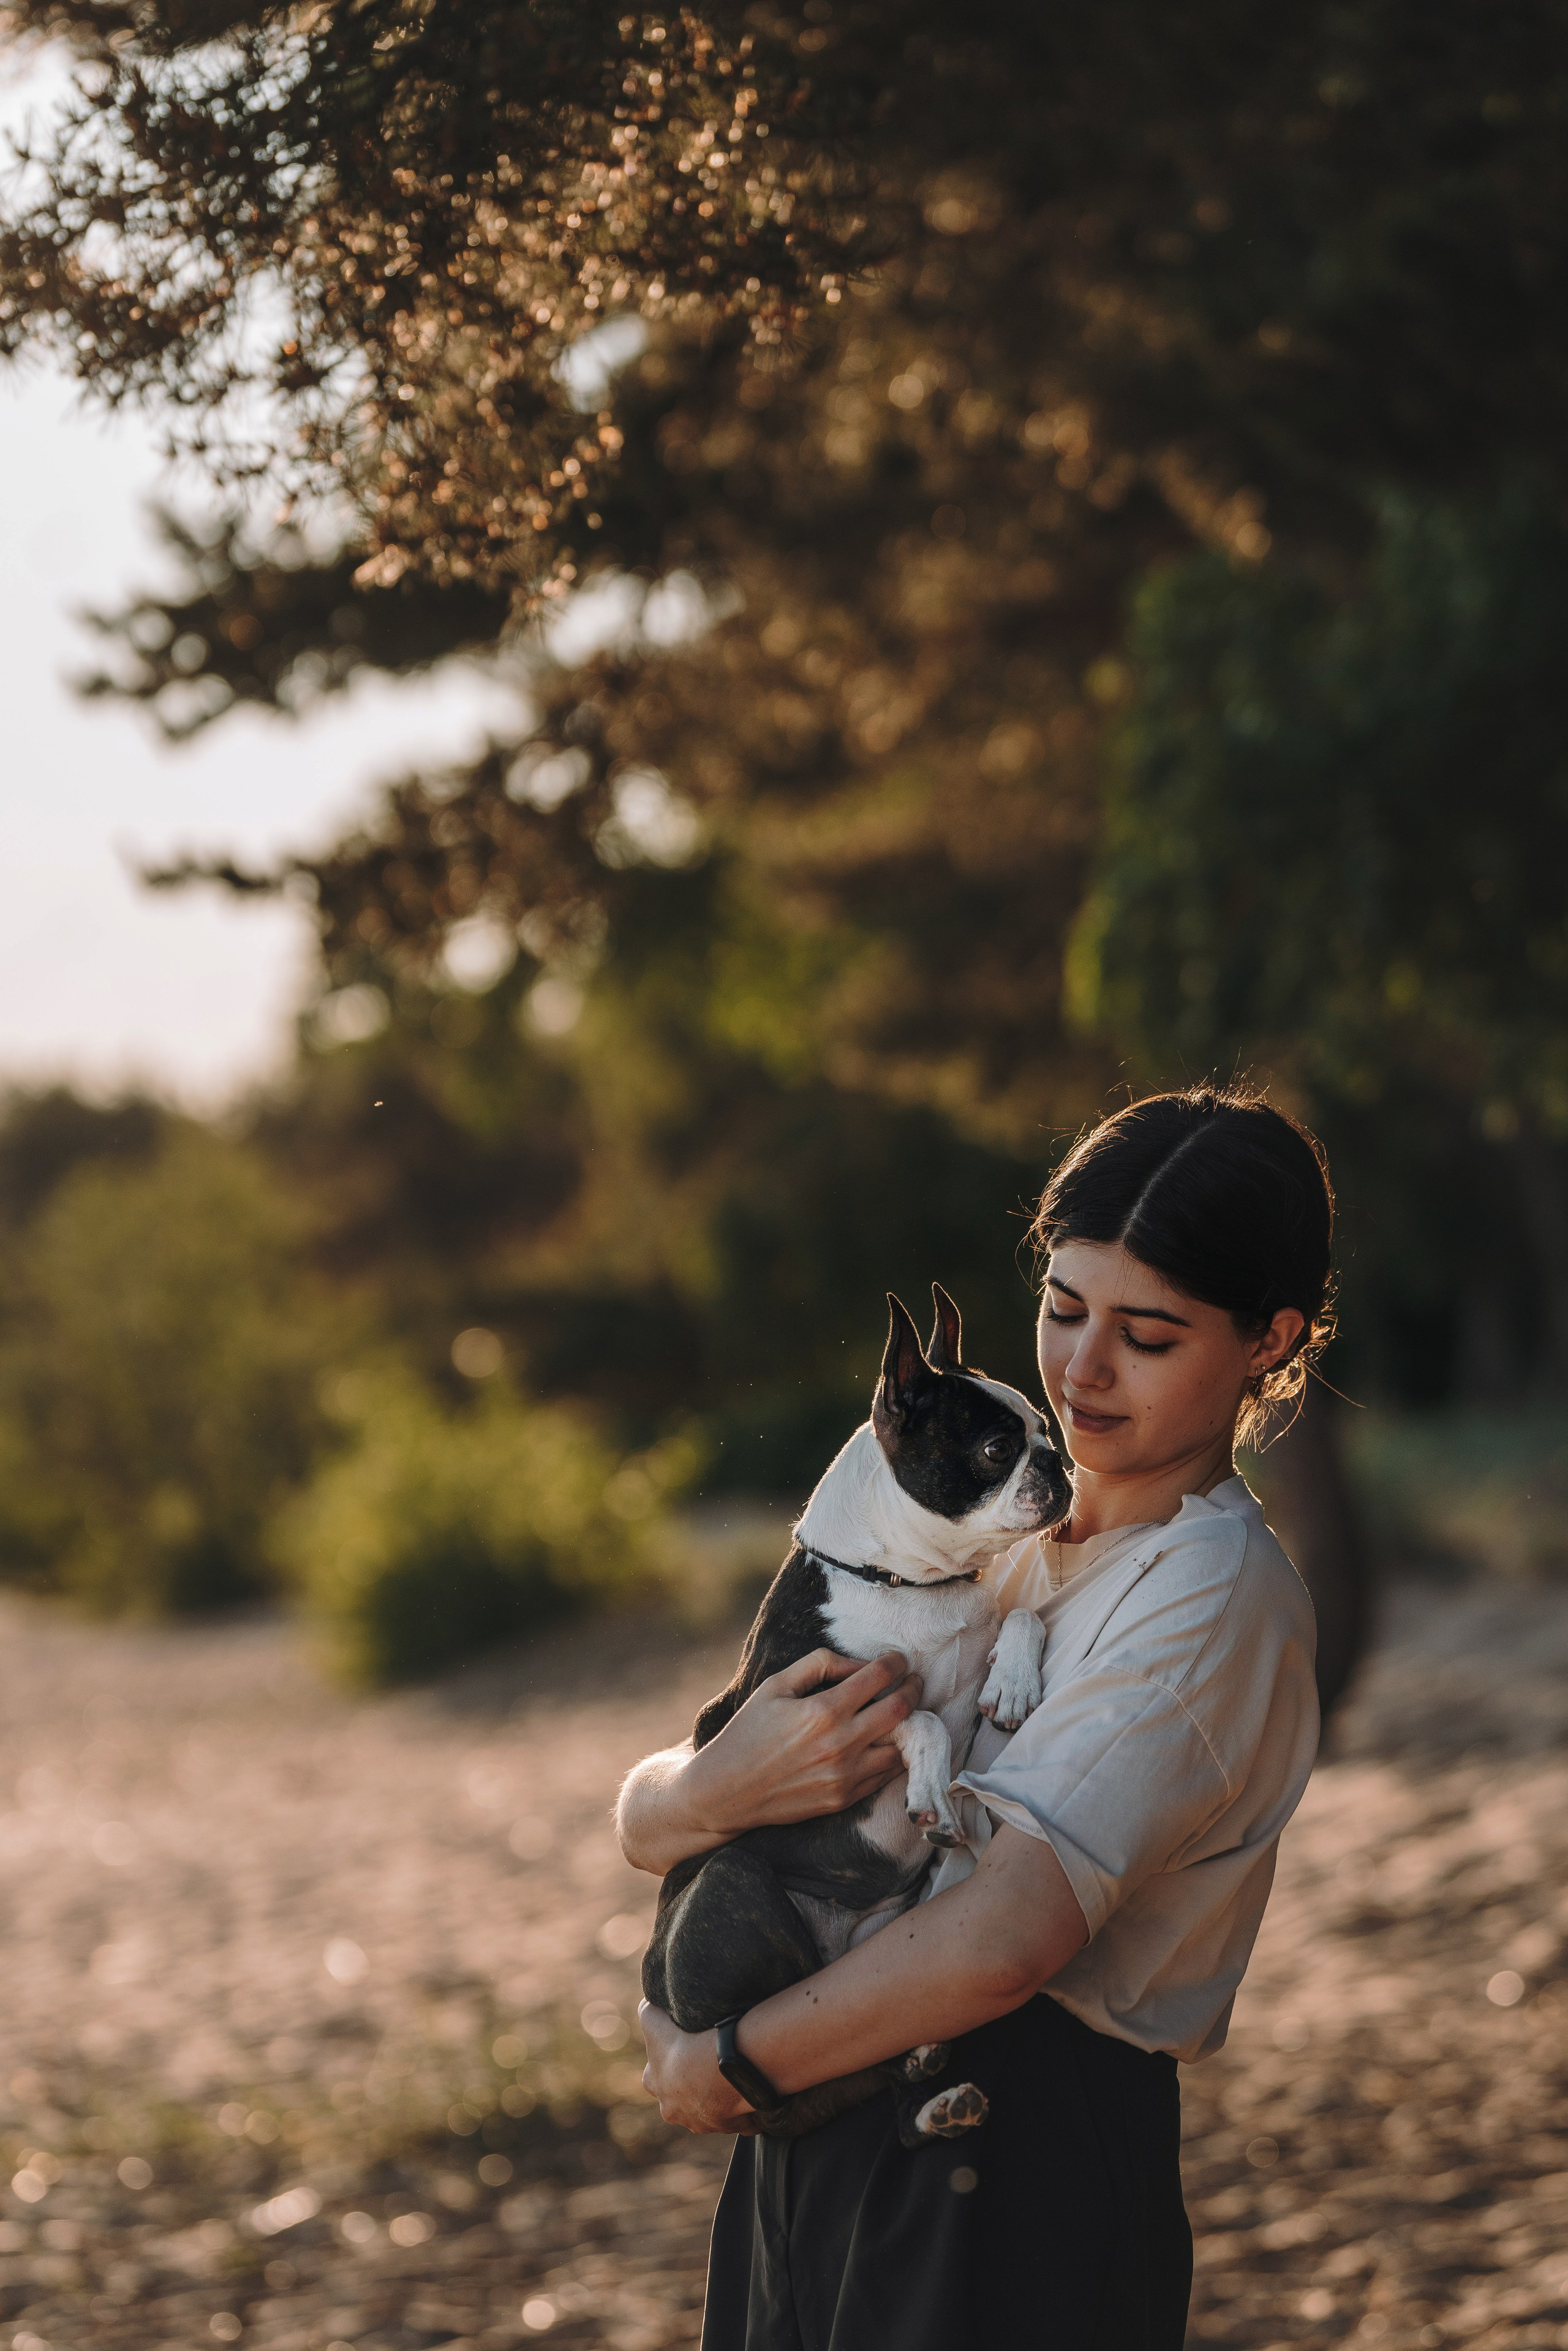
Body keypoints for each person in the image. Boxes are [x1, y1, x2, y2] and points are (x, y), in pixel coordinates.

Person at [620, 1085, 1330, 2350]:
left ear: (1266, 1338)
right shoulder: (973, 1528)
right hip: (815, 2125)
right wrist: (690, 1798)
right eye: (1062, 1308)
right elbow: (688, 1778)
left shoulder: (1208, 1592)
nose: (1080, 1368)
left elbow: (1006, 1934)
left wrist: (719, 2063)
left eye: (1148, 1334)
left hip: (1012, 2164)